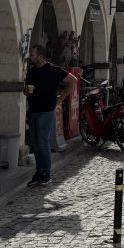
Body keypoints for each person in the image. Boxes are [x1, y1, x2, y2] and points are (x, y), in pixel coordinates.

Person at [24, 45, 77, 187]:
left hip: (46, 111)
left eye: (33, 54)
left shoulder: (53, 70)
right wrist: (26, 91)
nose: (31, 56)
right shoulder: (31, 72)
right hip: (33, 110)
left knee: (42, 142)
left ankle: (46, 174)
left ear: (41, 56)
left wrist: (61, 98)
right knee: (35, 144)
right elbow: (26, 89)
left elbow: (73, 81)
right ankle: (39, 172)